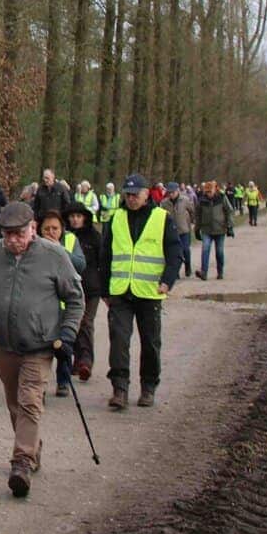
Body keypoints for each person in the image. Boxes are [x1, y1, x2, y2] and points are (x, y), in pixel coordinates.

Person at [0, 202, 82, 498]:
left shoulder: (53, 255)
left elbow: (75, 298)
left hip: (41, 345)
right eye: (7, 234)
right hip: (4, 343)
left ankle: (21, 463)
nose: (12, 240)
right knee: (15, 404)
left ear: (33, 228)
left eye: (18, 233)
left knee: (30, 400)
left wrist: (67, 335)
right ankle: (32, 447)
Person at [97, 175, 181, 411]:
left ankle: (148, 387)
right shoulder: (116, 218)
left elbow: (175, 252)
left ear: (147, 194)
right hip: (121, 291)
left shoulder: (162, 218)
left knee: (150, 342)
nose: (131, 198)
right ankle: (120, 388)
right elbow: (106, 256)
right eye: (128, 194)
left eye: (136, 194)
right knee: (119, 341)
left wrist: (167, 281)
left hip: (149, 291)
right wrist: (105, 289)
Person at [33, 209, 86, 399]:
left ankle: (63, 381)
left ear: (62, 229)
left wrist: (60, 250)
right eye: (47, 228)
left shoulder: (71, 240)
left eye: (55, 228)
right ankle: (40, 385)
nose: (51, 232)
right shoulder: (33, 244)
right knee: (42, 347)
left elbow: (81, 264)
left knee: (64, 345)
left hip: (65, 302)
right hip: (43, 305)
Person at [60, 200, 105, 384]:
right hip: (70, 288)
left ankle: (85, 360)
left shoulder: (94, 237)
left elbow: (103, 261)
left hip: (90, 287)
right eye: (72, 217)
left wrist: (104, 287)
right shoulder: (65, 237)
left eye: (78, 216)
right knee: (72, 324)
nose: (75, 220)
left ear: (85, 218)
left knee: (85, 323)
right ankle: (75, 360)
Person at [194, 181, 235, 282]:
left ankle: (220, 272)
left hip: (220, 229)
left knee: (219, 252)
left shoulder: (221, 197)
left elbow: (229, 211)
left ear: (215, 190)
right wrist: (196, 229)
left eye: (210, 191)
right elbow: (198, 215)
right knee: (205, 250)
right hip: (206, 229)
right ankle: (204, 272)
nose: (208, 194)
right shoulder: (202, 200)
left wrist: (230, 226)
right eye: (207, 192)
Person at [163, 181, 195, 279]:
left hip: (184, 229)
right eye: (170, 193)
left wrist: (192, 221)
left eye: (173, 192)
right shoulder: (164, 203)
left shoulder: (185, 200)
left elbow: (192, 210)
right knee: (174, 253)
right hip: (171, 231)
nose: (171, 194)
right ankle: (175, 272)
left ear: (177, 191)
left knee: (185, 250)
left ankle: (188, 266)